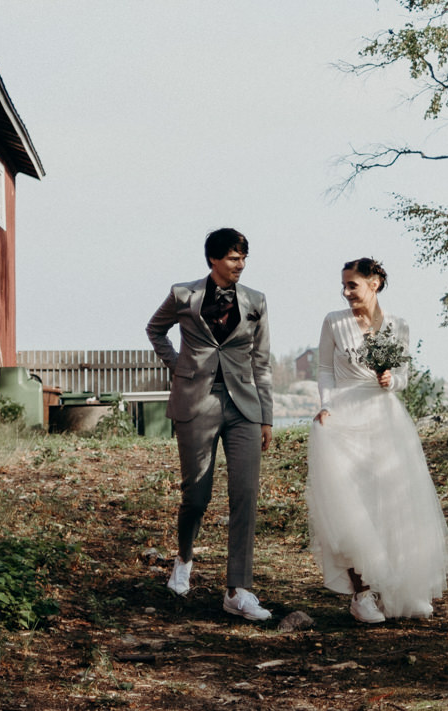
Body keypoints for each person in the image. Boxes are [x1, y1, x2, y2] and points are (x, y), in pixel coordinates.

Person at [308, 258, 448, 622]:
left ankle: (406, 589)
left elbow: (404, 374)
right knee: (353, 506)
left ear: (374, 283)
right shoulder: (334, 322)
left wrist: (393, 381)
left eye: (352, 285)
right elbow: (325, 369)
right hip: (344, 415)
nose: (345, 292)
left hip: (385, 417)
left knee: (395, 501)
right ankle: (362, 595)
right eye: (343, 285)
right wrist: (325, 406)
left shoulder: (397, 326)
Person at [144, 227, 276, 621]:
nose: (241, 264)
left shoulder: (256, 300)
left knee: (245, 494)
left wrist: (267, 416)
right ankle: (184, 559)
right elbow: (155, 330)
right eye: (234, 257)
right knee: (197, 495)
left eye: (244, 258)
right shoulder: (183, 294)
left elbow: (262, 362)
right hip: (196, 402)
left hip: (244, 407)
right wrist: (178, 367)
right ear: (214, 259)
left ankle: (238, 589)